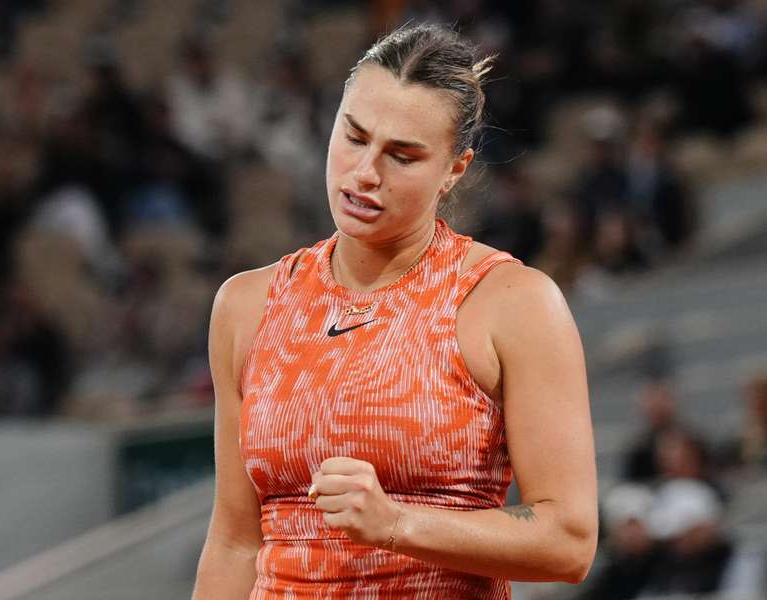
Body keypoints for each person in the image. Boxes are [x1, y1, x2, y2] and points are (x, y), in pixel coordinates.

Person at [193, 23, 598, 598]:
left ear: (455, 168)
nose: (364, 174)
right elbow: (235, 541)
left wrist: (397, 524)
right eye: (354, 136)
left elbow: (569, 541)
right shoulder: (247, 304)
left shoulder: (512, 303)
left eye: (401, 156)